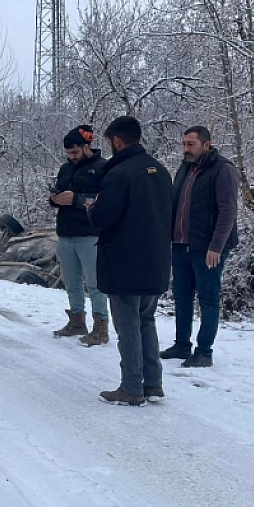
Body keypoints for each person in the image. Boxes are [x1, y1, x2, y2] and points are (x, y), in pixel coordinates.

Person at [87, 116, 174, 406]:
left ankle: (131, 386)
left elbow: (102, 218)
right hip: (157, 260)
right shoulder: (161, 171)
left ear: (116, 141)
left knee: (127, 327)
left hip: (124, 262)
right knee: (146, 321)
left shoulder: (119, 174)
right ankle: (153, 383)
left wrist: (91, 207)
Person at [160, 126, 240, 368]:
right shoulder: (185, 168)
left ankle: (204, 351)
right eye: (184, 143)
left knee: (208, 298)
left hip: (207, 248)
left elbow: (228, 212)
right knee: (182, 296)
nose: (186, 148)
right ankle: (182, 345)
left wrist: (216, 246)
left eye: (191, 144)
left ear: (206, 144)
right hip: (181, 244)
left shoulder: (223, 169)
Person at [50, 125, 110, 346]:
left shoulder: (102, 168)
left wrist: (76, 199)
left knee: (95, 283)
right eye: (68, 154)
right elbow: (59, 191)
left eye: (75, 152)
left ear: (87, 147)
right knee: (71, 282)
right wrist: (55, 198)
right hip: (66, 233)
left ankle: (101, 327)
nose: (72, 157)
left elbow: (104, 201)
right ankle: (77, 321)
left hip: (90, 234)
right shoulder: (65, 169)